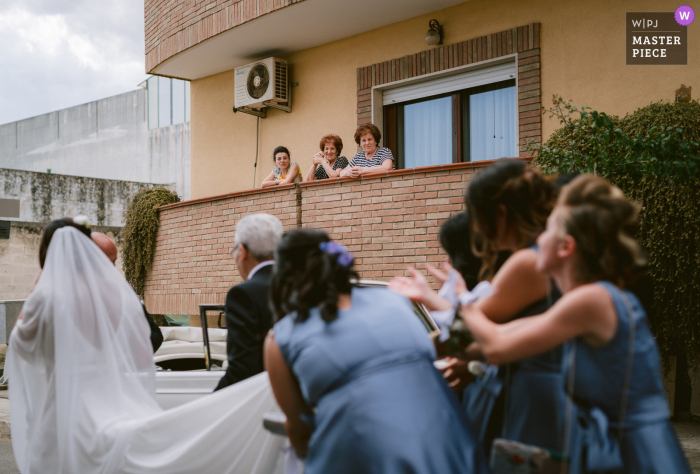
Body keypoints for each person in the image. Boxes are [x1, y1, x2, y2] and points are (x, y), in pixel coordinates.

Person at [6, 219, 285, 473]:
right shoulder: (115, 296)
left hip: (61, 407)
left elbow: (21, 345)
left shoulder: (46, 299)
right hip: (105, 402)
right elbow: (142, 344)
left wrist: (39, 285)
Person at [462, 175, 691, 473]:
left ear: (566, 247)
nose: (538, 237)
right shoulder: (590, 298)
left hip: (633, 451)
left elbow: (496, 347)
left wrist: (462, 302)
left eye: (548, 229)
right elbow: (501, 335)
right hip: (601, 443)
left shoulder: (591, 300)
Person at [264, 229, 489, 474]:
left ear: (283, 277)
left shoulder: (281, 336)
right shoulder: (394, 300)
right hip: (449, 446)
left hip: (360, 459)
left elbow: (299, 431)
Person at [215, 213, 283, 391]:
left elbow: (242, 369)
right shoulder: (301, 285)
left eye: (234, 250)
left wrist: (205, 408)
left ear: (243, 251)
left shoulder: (243, 295)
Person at [91, 230, 163, 353]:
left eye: (114, 263)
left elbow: (156, 334)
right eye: (106, 264)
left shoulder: (125, 292)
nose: (112, 270)